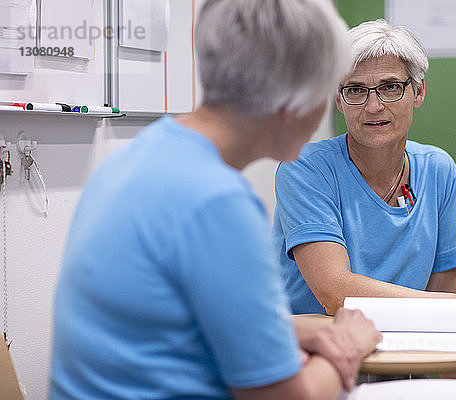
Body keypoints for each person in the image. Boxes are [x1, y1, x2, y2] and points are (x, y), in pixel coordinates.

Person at [49, 1, 383, 399]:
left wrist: (293, 331)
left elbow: (167, 324)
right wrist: (347, 346)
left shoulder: (134, 159)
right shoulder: (216, 201)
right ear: (295, 99)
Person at [273, 19, 456, 317]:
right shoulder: (305, 169)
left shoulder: (438, 170)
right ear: (339, 100)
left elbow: (444, 283)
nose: (373, 106)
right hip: (315, 356)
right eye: (356, 90)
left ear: (418, 92)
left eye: (390, 87)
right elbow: (335, 294)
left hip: (402, 353)